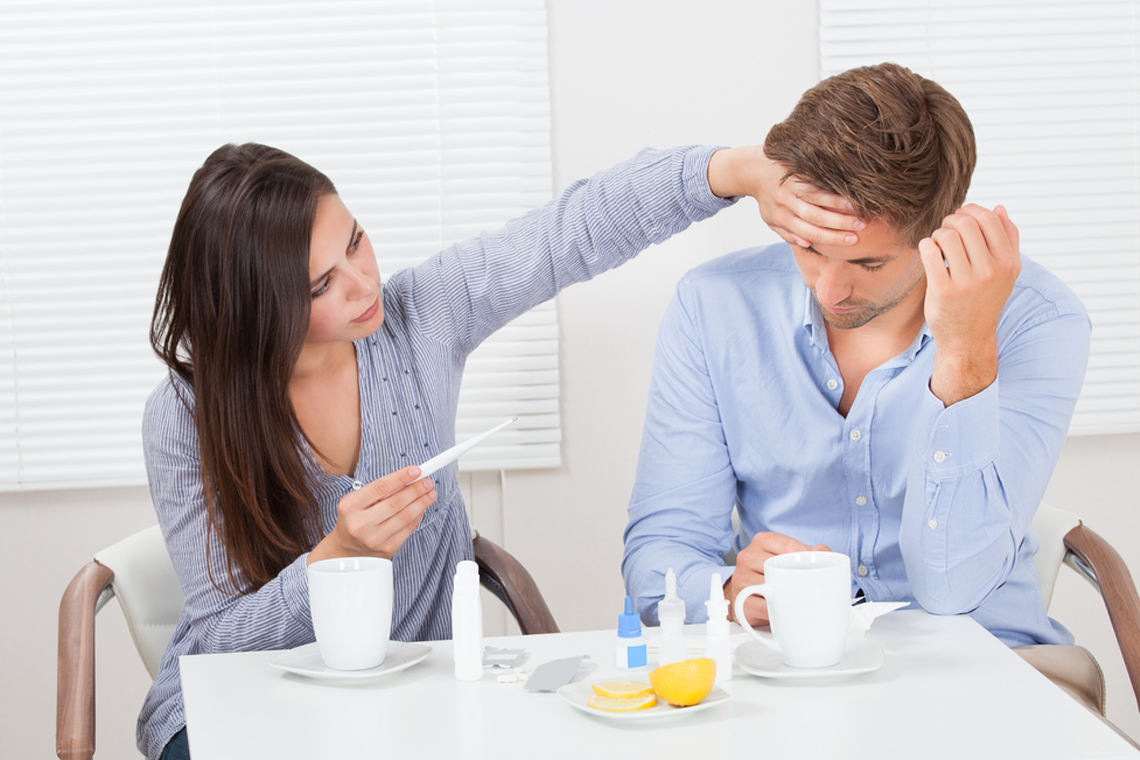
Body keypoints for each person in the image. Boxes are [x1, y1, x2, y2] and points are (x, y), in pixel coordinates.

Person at [139, 141, 857, 759]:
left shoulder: (421, 317)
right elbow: (224, 643)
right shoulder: (183, 418)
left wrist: (736, 170)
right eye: (322, 284)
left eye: (355, 240)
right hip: (234, 714)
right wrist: (337, 558)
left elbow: (569, 231)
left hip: (414, 701)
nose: (363, 283)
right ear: (256, 307)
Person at [622, 64, 1091, 653]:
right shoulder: (714, 306)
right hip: (790, 661)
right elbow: (659, 559)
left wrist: (965, 351)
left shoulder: (1038, 320)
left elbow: (956, 589)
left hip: (983, 654)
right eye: (807, 246)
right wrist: (727, 591)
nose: (829, 290)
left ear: (943, 230)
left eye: (869, 263)